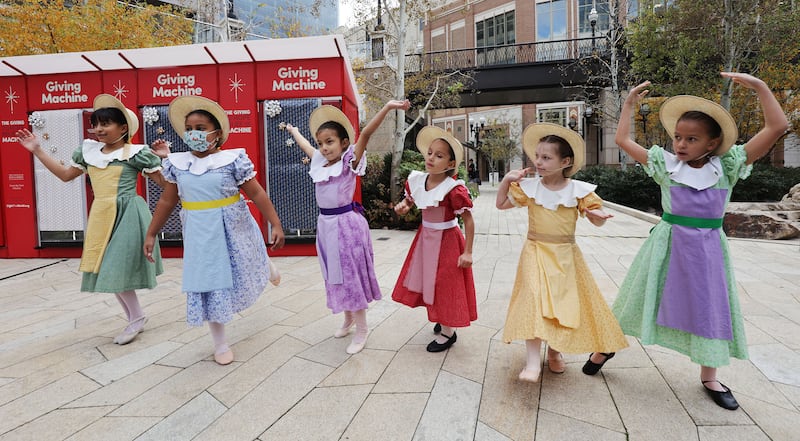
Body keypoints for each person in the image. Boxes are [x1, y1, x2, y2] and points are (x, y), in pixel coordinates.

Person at [612, 73, 789, 410]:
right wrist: (629, 105)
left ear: (711, 144)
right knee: (638, 296)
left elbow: (776, 127)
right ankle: (605, 346)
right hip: (665, 245)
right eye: (677, 137)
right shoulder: (665, 166)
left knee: (710, 308)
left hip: (708, 250)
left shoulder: (728, 167)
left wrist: (761, 88)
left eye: (691, 139)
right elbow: (622, 140)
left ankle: (710, 375)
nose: (681, 144)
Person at [15, 94, 167, 345]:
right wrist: (37, 150)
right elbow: (65, 175)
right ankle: (135, 318)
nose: (99, 129)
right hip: (101, 215)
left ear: (123, 128)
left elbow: (163, 183)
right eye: (96, 124)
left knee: (114, 270)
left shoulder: (137, 154)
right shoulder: (88, 152)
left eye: (106, 124)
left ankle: (136, 318)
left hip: (129, 214)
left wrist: (164, 158)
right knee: (107, 269)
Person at [143, 95, 285, 365]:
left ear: (216, 133)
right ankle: (220, 343)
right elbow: (167, 200)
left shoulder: (233, 160)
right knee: (210, 283)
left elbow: (256, 193)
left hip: (233, 225)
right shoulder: (177, 163)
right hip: (199, 232)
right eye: (189, 129)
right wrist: (151, 233)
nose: (193, 134)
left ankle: (264, 265)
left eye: (200, 128)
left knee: (244, 259)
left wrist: (274, 223)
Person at [496, 122, 628, 382]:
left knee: (560, 307)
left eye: (546, 157)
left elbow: (596, 218)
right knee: (533, 299)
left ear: (565, 161)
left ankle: (555, 353)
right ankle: (533, 361)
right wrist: (506, 181)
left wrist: (597, 214)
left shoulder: (579, 191)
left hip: (566, 255)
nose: (539, 162)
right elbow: (501, 204)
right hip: (535, 250)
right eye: (537, 156)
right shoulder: (530, 188)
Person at [285, 99, 410, 354]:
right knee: (334, 275)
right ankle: (348, 317)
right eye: (321, 143)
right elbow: (307, 147)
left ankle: (362, 327)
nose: (323, 147)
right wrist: (293, 130)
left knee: (351, 275)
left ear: (343, 143)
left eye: (329, 142)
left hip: (346, 226)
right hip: (326, 225)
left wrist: (387, 107)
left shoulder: (349, 162)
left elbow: (365, 133)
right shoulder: (320, 163)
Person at [392, 126, 477, 352]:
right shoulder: (418, 181)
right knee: (429, 280)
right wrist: (404, 206)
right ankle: (442, 318)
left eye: (439, 156)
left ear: (450, 164)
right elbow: (411, 200)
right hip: (425, 238)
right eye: (430, 152)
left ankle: (448, 332)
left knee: (445, 283)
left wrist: (467, 251)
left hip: (448, 240)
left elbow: (468, 220)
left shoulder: (453, 189)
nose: (431, 158)